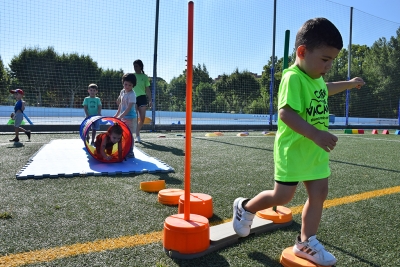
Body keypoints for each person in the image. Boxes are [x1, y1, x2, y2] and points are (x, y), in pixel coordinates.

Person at [232, 18, 365, 266]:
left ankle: (306, 242)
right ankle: (246, 208)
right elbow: (286, 114)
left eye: (332, 61)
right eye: (325, 59)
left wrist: (349, 84)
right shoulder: (292, 77)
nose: (328, 66)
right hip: (293, 150)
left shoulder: (314, 77)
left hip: (314, 151)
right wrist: (316, 133)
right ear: (302, 52)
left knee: (319, 193)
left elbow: (326, 88)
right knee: (282, 197)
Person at [114, 73, 136, 158]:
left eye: (130, 85)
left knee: (129, 135)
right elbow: (121, 104)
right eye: (126, 84)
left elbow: (129, 108)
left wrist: (120, 116)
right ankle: (124, 149)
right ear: (123, 83)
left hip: (130, 118)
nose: (127, 86)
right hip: (123, 117)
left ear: (133, 85)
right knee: (123, 134)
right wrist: (116, 115)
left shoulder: (132, 95)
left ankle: (131, 151)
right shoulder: (122, 92)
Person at [133, 59, 151, 143]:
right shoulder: (132, 76)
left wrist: (150, 100)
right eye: (134, 66)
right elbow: (126, 87)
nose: (135, 68)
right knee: (135, 117)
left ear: (140, 66)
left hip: (142, 98)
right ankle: (137, 135)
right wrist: (120, 96)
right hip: (133, 98)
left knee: (142, 119)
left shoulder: (144, 77)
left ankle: (137, 131)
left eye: (136, 66)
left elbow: (147, 89)